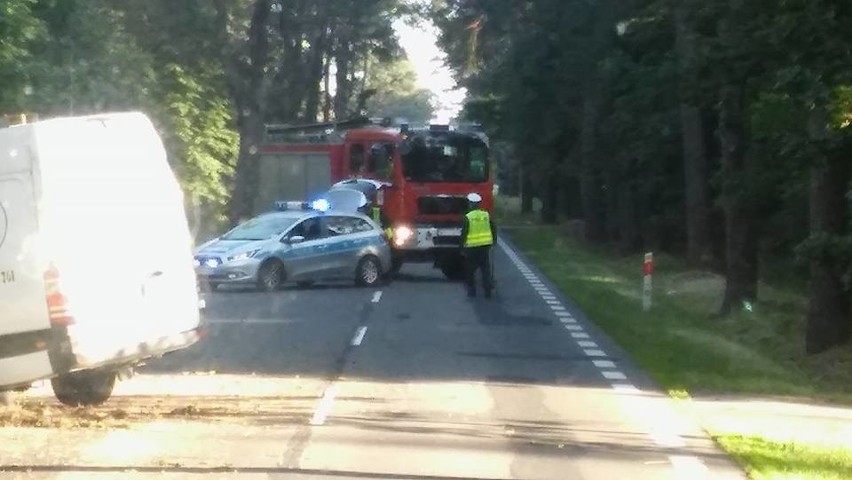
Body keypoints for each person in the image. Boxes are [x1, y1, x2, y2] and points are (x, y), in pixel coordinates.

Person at [460, 192, 496, 298]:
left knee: (470, 270)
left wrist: (462, 247)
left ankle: (472, 291)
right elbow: (493, 229)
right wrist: (494, 241)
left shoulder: (468, 217)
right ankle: (488, 291)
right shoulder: (486, 215)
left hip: (472, 248)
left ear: (470, 204)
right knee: (485, 269)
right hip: (485, 246)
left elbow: (464, 233)